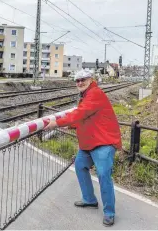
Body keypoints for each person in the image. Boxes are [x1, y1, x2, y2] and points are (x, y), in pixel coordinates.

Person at [44, 69, 121, 227]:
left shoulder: (94, 93)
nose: (80, 83)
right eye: (77, 80)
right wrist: (70, 125)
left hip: (103, 142)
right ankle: (89, 199)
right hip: (90, 142)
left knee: (103, 174)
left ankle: (109, 212)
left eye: (83, 79)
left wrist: (57, 123)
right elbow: (86, 117)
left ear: (91, 79)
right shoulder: (86, 95)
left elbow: (81, 113)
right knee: (80, 166)